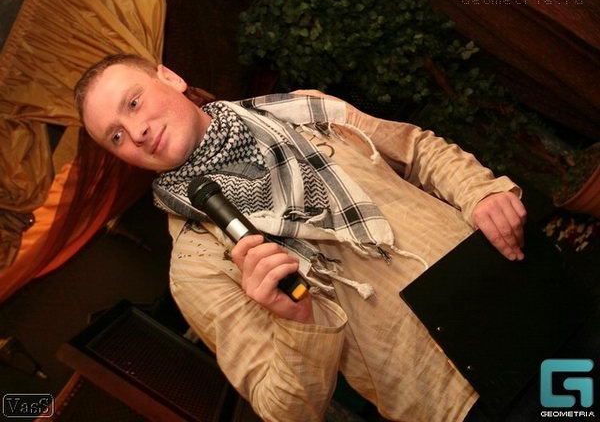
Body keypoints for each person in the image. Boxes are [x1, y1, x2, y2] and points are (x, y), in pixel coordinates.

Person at [75, 54, 527, 421]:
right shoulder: (195, 265)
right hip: (456, 400)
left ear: (170, 77)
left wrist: (480, 192)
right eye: (116, 136)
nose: (136, 132)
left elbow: (414, 148)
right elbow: (285, 410)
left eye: (133, 103)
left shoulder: (304, 110)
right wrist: (296, 322)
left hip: (513, 289)